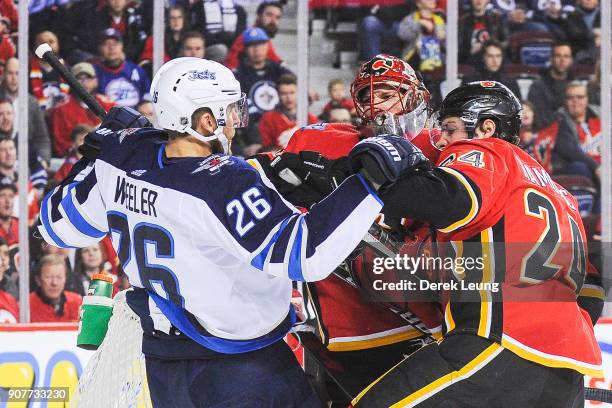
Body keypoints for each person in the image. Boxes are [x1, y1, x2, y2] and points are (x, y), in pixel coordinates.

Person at [37, 57, 394, 407]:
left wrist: (99, 152)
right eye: (229, 111)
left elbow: (57, 228)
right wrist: (370, 183)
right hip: (239, 369)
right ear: (206, 120)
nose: (234, 125)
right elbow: (304, 253)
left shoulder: (121, 158)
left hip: (164, 369)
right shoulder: (225, 179)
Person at [348, 81, 603, 407]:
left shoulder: (489, 151)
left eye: (451, 129)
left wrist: (361, 172)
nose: (443, 139)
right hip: (568, 372)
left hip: (499, 346)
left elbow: (445, 199)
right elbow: (592, 293)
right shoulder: (561, 194)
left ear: (486, 127)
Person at [251, 54, 444, 405]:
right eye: (367, 97)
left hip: (427, 326)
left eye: (386, 93)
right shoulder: (321, 140)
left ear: (416, 96)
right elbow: (255, 182)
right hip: (344, 332)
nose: (376, 107)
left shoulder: (444, 146)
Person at [48, 62, 115, 158]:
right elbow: (61, 146)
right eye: (79, 78)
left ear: (95, 81)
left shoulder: (109, 105)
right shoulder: (61, 109)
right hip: (75, 159)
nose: (84, 83)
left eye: (88, 78)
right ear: (70, 82)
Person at [258, 74, 317, 151]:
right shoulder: (268, 118)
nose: (288, 97)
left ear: (298, 93)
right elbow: (266, 148)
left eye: (292, 93)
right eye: (284, 93)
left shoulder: (310, 118)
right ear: (278, 95)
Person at [94, 28, 151, 108]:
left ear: (122, 46)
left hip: (137, 115)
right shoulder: (94, 72)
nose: (111, 48)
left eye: (115, 44)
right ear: (100, 48)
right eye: (106, 44)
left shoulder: (136, 70)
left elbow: (148, 95)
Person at [224, 1, 283, 70]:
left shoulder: (264, 37)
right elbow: (231, 62)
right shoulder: (250, 35)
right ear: (258, 16)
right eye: (269, 15)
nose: (273, 20)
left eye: (277, 17)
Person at [527, 41, 575, 126]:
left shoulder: (575, 85)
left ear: (571, 60)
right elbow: (538, 117)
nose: (562, 60)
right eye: (558, 56)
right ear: (551, 59)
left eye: (566, 56)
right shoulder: (538, 86)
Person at [30, 254, 82, 323]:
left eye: (59, 277)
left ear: (65, 279)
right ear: (38, 280)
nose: (54, 283)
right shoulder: (27, 306)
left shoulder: (77, 302)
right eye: (48, 277)